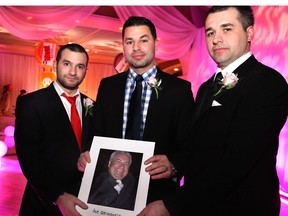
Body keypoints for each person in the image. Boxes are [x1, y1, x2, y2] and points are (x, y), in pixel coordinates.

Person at [138, 6, 288, 216]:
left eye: (226, 29)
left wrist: (173, 204)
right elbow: (198, 144)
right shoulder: (207, 87)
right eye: (210, 32)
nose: (216, 39)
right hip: (201, 205)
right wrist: (174, 163)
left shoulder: (267, 83)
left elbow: (235, 161)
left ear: (249, 33)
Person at [78, 16, 195, 204]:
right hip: (109, 194)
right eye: (130, 41)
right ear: (123, 46)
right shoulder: (108, 86)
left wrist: (173, 165)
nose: (136, 47)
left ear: (156, 44)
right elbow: (97, 133)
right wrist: (87, 154)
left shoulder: (179, 90)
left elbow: (189, 144)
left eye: (143, 40)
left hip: (157, 195)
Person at [14, 43, 95, 216]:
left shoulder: (94, 106)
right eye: (67, 64)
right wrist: (57, 196)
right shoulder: (31, 104)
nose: (73, 71)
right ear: (55, 65)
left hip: (84, 202)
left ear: (86, 70)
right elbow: (30, 159)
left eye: (79, 66)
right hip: (43, 202)